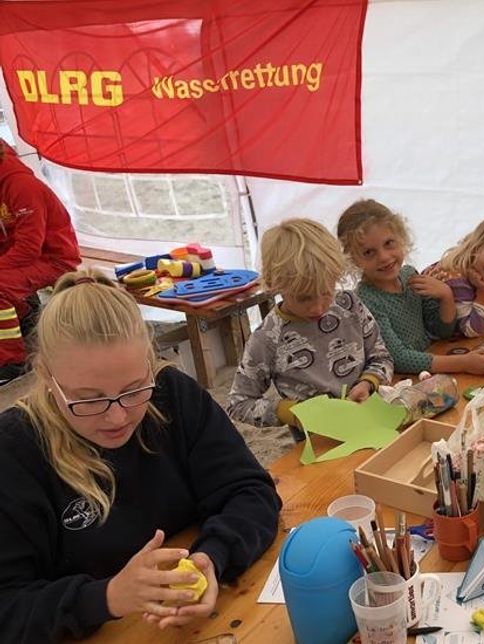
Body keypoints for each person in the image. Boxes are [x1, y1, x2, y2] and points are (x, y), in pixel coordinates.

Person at [0, 270, 282, 641]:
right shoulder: (14, 452)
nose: (117, 416)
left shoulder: (172, 395)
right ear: (46, 378)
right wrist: (107, 597)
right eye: (88, 399)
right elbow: (8, 607)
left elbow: (250, 490)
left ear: (150, 364)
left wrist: (211, 557)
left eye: (134, 389)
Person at [227, 218, 393, 429]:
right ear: (275, 285)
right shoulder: (267, 337)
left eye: (326, 292)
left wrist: (368, 383)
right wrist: (293, 413)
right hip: (318, 442)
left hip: (371, 420)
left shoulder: (349, 304)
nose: (318, 308)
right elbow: (238, 403)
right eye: (304, 298)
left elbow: (382, 357)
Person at [337, 199, 484, 375]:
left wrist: (446, 296)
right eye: (369, 252)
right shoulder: (367, 299)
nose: (384, 257)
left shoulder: (409, 276)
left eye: (389, 243)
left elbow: (440, 331)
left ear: (401, 238)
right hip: (402, 380)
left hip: (432, 364)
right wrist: (463, 363)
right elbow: (398, 358)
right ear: (352, 259)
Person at [0, 140, 81, 383]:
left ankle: (12, 363)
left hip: (55, 259)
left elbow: (29, 247)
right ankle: (25, 318)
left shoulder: (20, 185)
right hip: (21, 258)